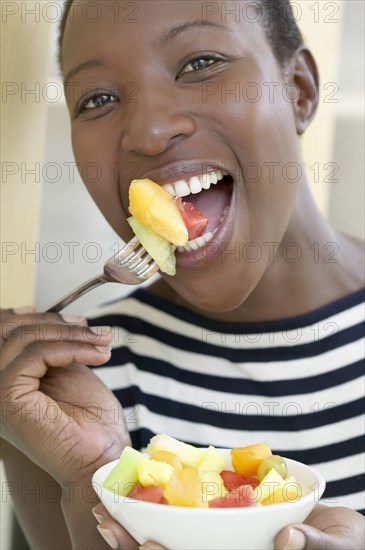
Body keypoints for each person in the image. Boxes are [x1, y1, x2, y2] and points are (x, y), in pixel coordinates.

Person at [1, 0, 364, 549]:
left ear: (299, 90)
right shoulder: (62, 395)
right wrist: (90, 480)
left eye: (200, 64)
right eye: (98, 98)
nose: (147, 132)